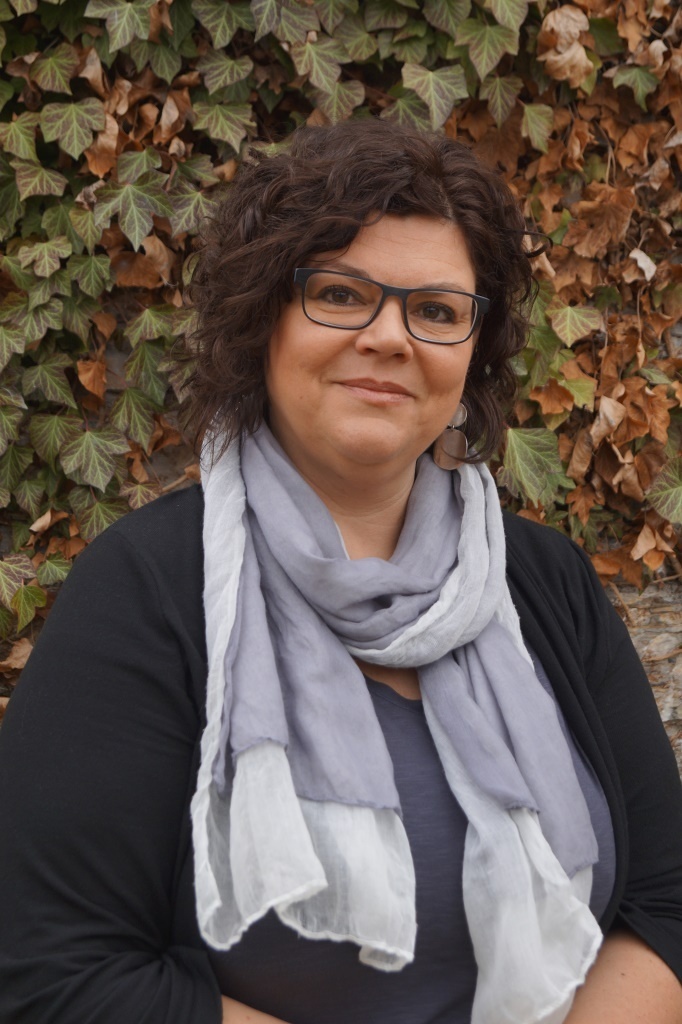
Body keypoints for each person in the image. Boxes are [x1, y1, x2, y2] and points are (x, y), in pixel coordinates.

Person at [0, 119, 680, 1024]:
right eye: (340, 294)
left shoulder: (542, 582)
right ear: (264, 320)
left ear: (472, 350)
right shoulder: (146, 591)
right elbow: (60, 973)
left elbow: (665, 901)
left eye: (436, 311)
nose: (390, 336)